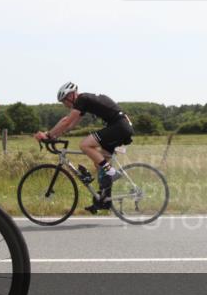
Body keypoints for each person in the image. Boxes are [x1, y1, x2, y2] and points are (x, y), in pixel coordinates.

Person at [34, 82, 133, 210]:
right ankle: (105, 200)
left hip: (119, 127)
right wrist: (53, 136)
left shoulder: (82, 99)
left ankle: (112, 172)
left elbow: (67, 121)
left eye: (64, 101)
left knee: (85, 145)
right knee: (99, 164)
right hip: (120, 127)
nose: (65, 105)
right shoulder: (84, 102)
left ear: (71, 95)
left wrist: (48, 134)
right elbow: (69, 124)